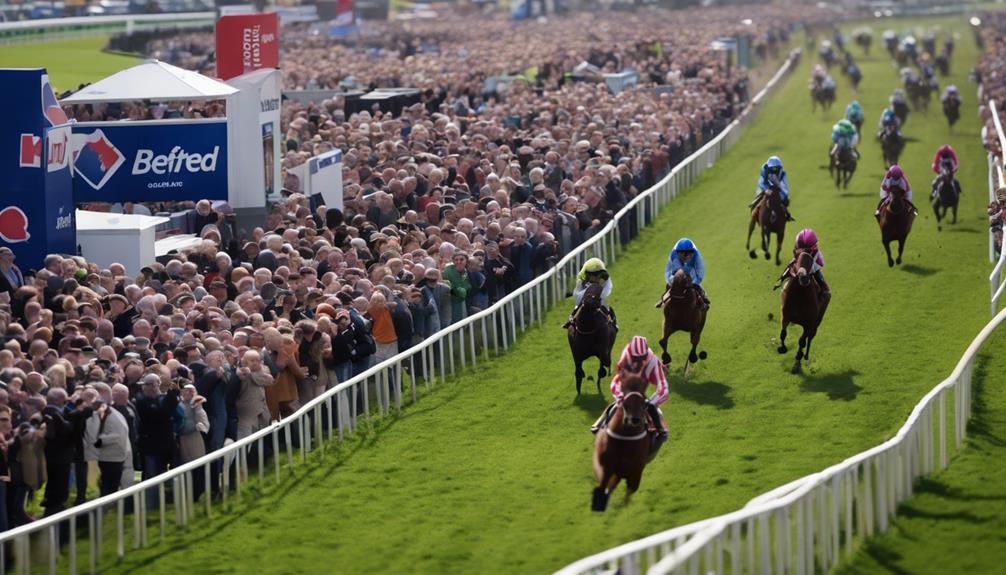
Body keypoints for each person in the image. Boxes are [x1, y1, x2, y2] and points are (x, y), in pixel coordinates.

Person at [590, 336, 669, 459]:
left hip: (642, 394)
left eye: (641, 358)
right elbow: (615, 382)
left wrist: (650, 402)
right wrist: (621, 396)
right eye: (635, 358)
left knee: (655, 410)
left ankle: (661, 430)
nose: (637, 361)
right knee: (617, 405)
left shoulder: (652, 361)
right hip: (627, 391)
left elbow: (664, 387)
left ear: (646, 355)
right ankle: (600, 423)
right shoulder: (626, 357)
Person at [562, 257, 617, 330]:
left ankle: (612, 322)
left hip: (599, 291)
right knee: (579, 304)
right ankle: (571, 319)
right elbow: (579, 292)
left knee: (604, 305)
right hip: (586, 293)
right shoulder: (583, 278)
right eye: (592, 275)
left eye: (596, 275)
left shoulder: (603, 276)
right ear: (588, 275)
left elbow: (605, 289)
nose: (594, 277)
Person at [781, 228, 830, 300]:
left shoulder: (816, 253)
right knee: (790, 266)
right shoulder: (797, 247)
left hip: (813, 264)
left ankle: (824, 288)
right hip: (799, 262)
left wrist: (811, 268)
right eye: (801, 250)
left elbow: (819, 262)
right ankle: (782, 279)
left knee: (817, 273)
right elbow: (796, 255)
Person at [662, 238, 709, 309]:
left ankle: (703, 299)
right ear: (677, 253)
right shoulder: (674, 255)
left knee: (696, 286)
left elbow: (700, 274)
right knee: (671, 283)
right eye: (682, 254)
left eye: (688, 254)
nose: (685, 256)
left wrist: (693, 284)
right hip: (677, 269)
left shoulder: (697, 257)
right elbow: (672, 272)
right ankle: (662, 298)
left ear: (692, 252)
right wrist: (674, 281)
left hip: (691, 269)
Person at [749, 156, 793, 221]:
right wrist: (766, 190)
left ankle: (786, 215)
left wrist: (784, 196)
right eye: (773, 168)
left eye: (777, 168)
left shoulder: (783, 174)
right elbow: (761, 182)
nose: (775, 170)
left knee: (785, 200)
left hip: (776, 187)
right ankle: (753, 206)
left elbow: (784, 187)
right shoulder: (764, 169)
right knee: (759, 195)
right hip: (764, 186)